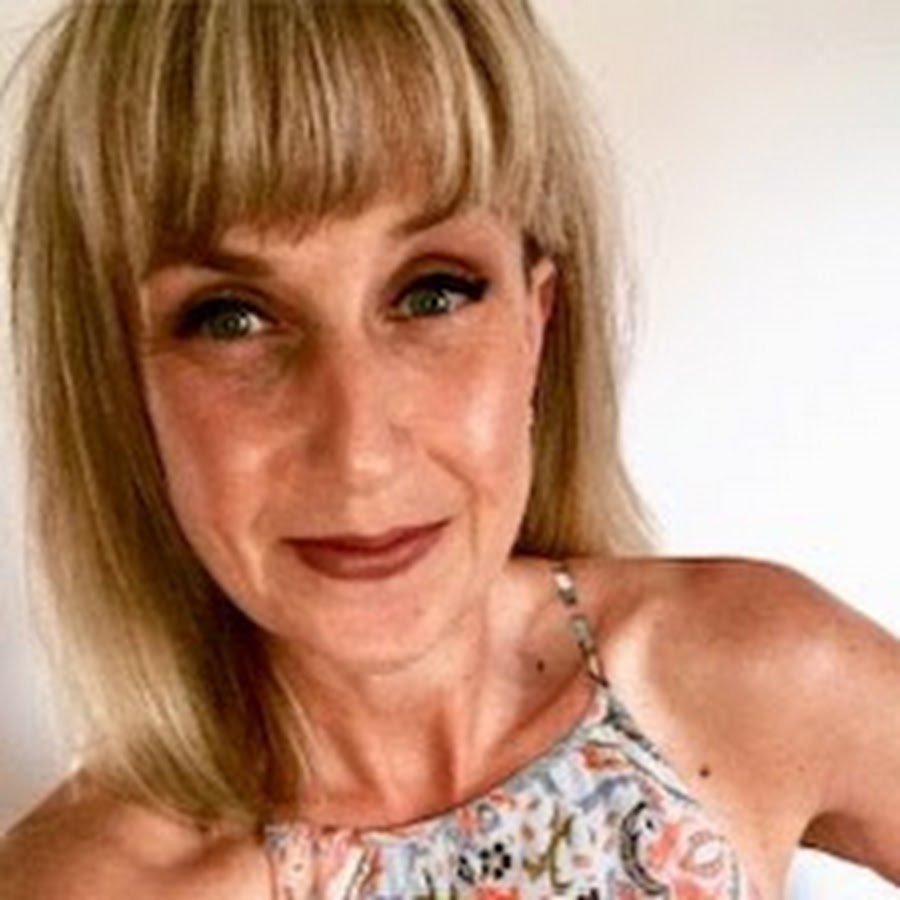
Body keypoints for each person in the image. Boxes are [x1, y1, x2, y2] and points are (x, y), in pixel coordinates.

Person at [1, 1, 898, 897]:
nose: (361, 453)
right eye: (230, 318)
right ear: (120, 387)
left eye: (432, 294)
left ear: (536, 325)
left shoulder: (750, 679)